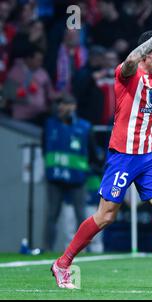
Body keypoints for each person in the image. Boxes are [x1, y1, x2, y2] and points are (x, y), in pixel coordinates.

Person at [51, 18, 152, 290]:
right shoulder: (128, 73)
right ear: (147, 53)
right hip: (123, 155)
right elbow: (130, 60)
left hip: (148, 155)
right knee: (106, 216)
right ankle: (63, 263)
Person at [42, 94, 97, 251]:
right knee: (52, 215)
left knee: (81, 215)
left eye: (66, 104)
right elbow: (44, 147)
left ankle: (88, 250)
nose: (62, 108)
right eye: (60, 104)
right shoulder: (50, 124)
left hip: (77, 178)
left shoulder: (85, 127)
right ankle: (47, 248)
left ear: (74, 107)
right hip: (55, 177)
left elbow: (92, 153)